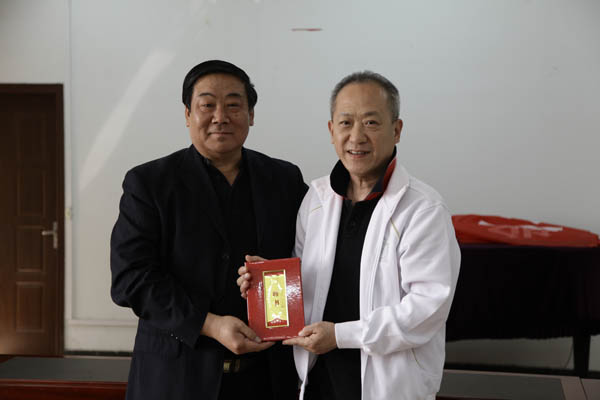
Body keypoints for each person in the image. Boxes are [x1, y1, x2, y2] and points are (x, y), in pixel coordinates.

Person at [239, 71, 460, 400]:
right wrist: (268, 282)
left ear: (397, 130)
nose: (356, 136)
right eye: (346, 123)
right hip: (319, 379)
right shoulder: (316, 199)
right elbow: (307, 284)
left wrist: (341, 336)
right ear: (332, 130)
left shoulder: (423, 209)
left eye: (371, 122)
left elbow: (426, 309)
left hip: (389, 386)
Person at [110, 60, 306, 400]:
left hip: (267, 378)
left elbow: (312, 257)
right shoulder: (150, 183)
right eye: (207, 105)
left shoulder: (285, 180)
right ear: (188, 114)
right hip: (176, 380)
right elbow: (131, 279)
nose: (220, 116)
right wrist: (210, 324)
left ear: (251, 114)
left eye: (233, 105)